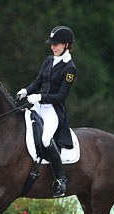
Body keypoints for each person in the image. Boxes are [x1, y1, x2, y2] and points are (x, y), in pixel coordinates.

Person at [17, 25, 76, 197]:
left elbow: (61, 96)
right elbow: (38, 81)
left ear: (66, 44)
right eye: (52, 44)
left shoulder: (69, 68)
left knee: (45, 139)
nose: (52, 47)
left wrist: (40, 98)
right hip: (38, 105)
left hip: (53, 110)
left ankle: (61, 179)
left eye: (56, 44)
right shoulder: (49, 60)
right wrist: (27, 91)